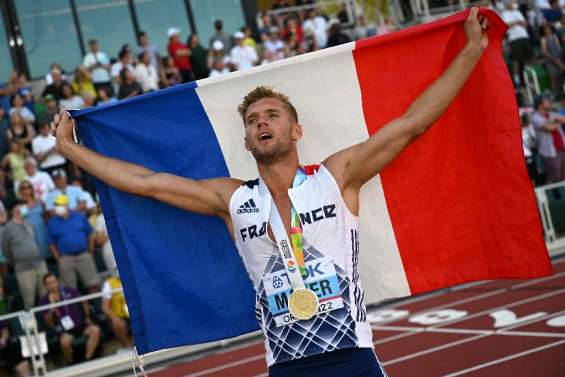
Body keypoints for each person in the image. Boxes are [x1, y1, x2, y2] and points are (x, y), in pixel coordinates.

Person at [49, 9, 488, 376]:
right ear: (245, 141)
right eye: (253, 119)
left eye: (272, 115)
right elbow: (145, 183)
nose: (261, 122)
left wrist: (471, 51)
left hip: (354, 356)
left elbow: (411, 125)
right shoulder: (233, 199)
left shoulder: (336, 177)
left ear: (295, 130)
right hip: (286, 363)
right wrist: (70, 148)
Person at [39, 273, 101, 363]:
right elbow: (48, 323)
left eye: (54, 282)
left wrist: (87, 317)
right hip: (64, 330)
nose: (52, 285)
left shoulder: (69, 291)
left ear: (57, 282)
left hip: (79, 324)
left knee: (95, 330)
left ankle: (87, 359)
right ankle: (71, 362)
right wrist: (52, 307)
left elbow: (83, 301)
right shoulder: (44, 301)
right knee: (65, 343)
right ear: (45, 286)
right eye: (49, 283)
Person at [46, 194, 98, 292]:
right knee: (69, 289)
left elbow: (89, 234)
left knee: (92, 284)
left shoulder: (79, 217)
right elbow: (51, 243)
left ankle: (97, 306)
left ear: (66, 205)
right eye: (56, 205)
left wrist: (91, 251)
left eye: (60, 204)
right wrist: (58, 258)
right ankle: (80, 307)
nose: (57, 207)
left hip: (83, 254)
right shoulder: (52, 222)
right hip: (65, 258)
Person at [2, 203, 48, 309]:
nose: (24, 211)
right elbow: (6, 250)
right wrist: (17, 261)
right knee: (29, 299)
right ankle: (33, 325)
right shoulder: (8, 228)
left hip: (40, 264)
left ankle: (48, 322)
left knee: (45, 296)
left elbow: (35, 240)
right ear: (15, 212)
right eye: (21, 209)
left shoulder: (28, 223)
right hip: (23, 268)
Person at [531, 95, 565, 182]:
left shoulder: (551, 114)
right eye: (546, 102)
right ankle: (550, 195)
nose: (549, 103)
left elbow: (563, 119)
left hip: (562, 149)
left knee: (563, 176)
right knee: (553, 177)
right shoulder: (535, 117)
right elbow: (548, 128)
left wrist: (553, 121)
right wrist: (556, 122)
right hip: (550, 153)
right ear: (540, 104)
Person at [0, 282, 30, 377]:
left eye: (0, 286)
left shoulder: (5, 304)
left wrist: (3, 338)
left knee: (14, 344)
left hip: (4, 343)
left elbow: (4, 329)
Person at [17, 178, 50, 260]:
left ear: (32, 189)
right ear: (20, 191)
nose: (26, 190)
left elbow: (47, 218)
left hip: (43, 233)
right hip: (29, 237)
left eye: (29, 187)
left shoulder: (40, 202)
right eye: (23, 188)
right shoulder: (18, 205)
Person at [501, 0, 532, 86]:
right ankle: (516, 80)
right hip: (514, 38)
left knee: (527, 58)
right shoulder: (504, 13)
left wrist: (515, 23)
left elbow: (525, 24)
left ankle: (528, 77)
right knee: (516, 60)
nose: (512, 3)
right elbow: (506, 26)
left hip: (524, 36)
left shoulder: (517, 11)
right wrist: (517, 22)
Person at [101, 274, 131, 348]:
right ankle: (128, 347)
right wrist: (114, 318)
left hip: (136, 311)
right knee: (118, 323)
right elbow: (104, 307)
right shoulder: (109, 284)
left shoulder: (133, 278)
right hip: (121, 314)